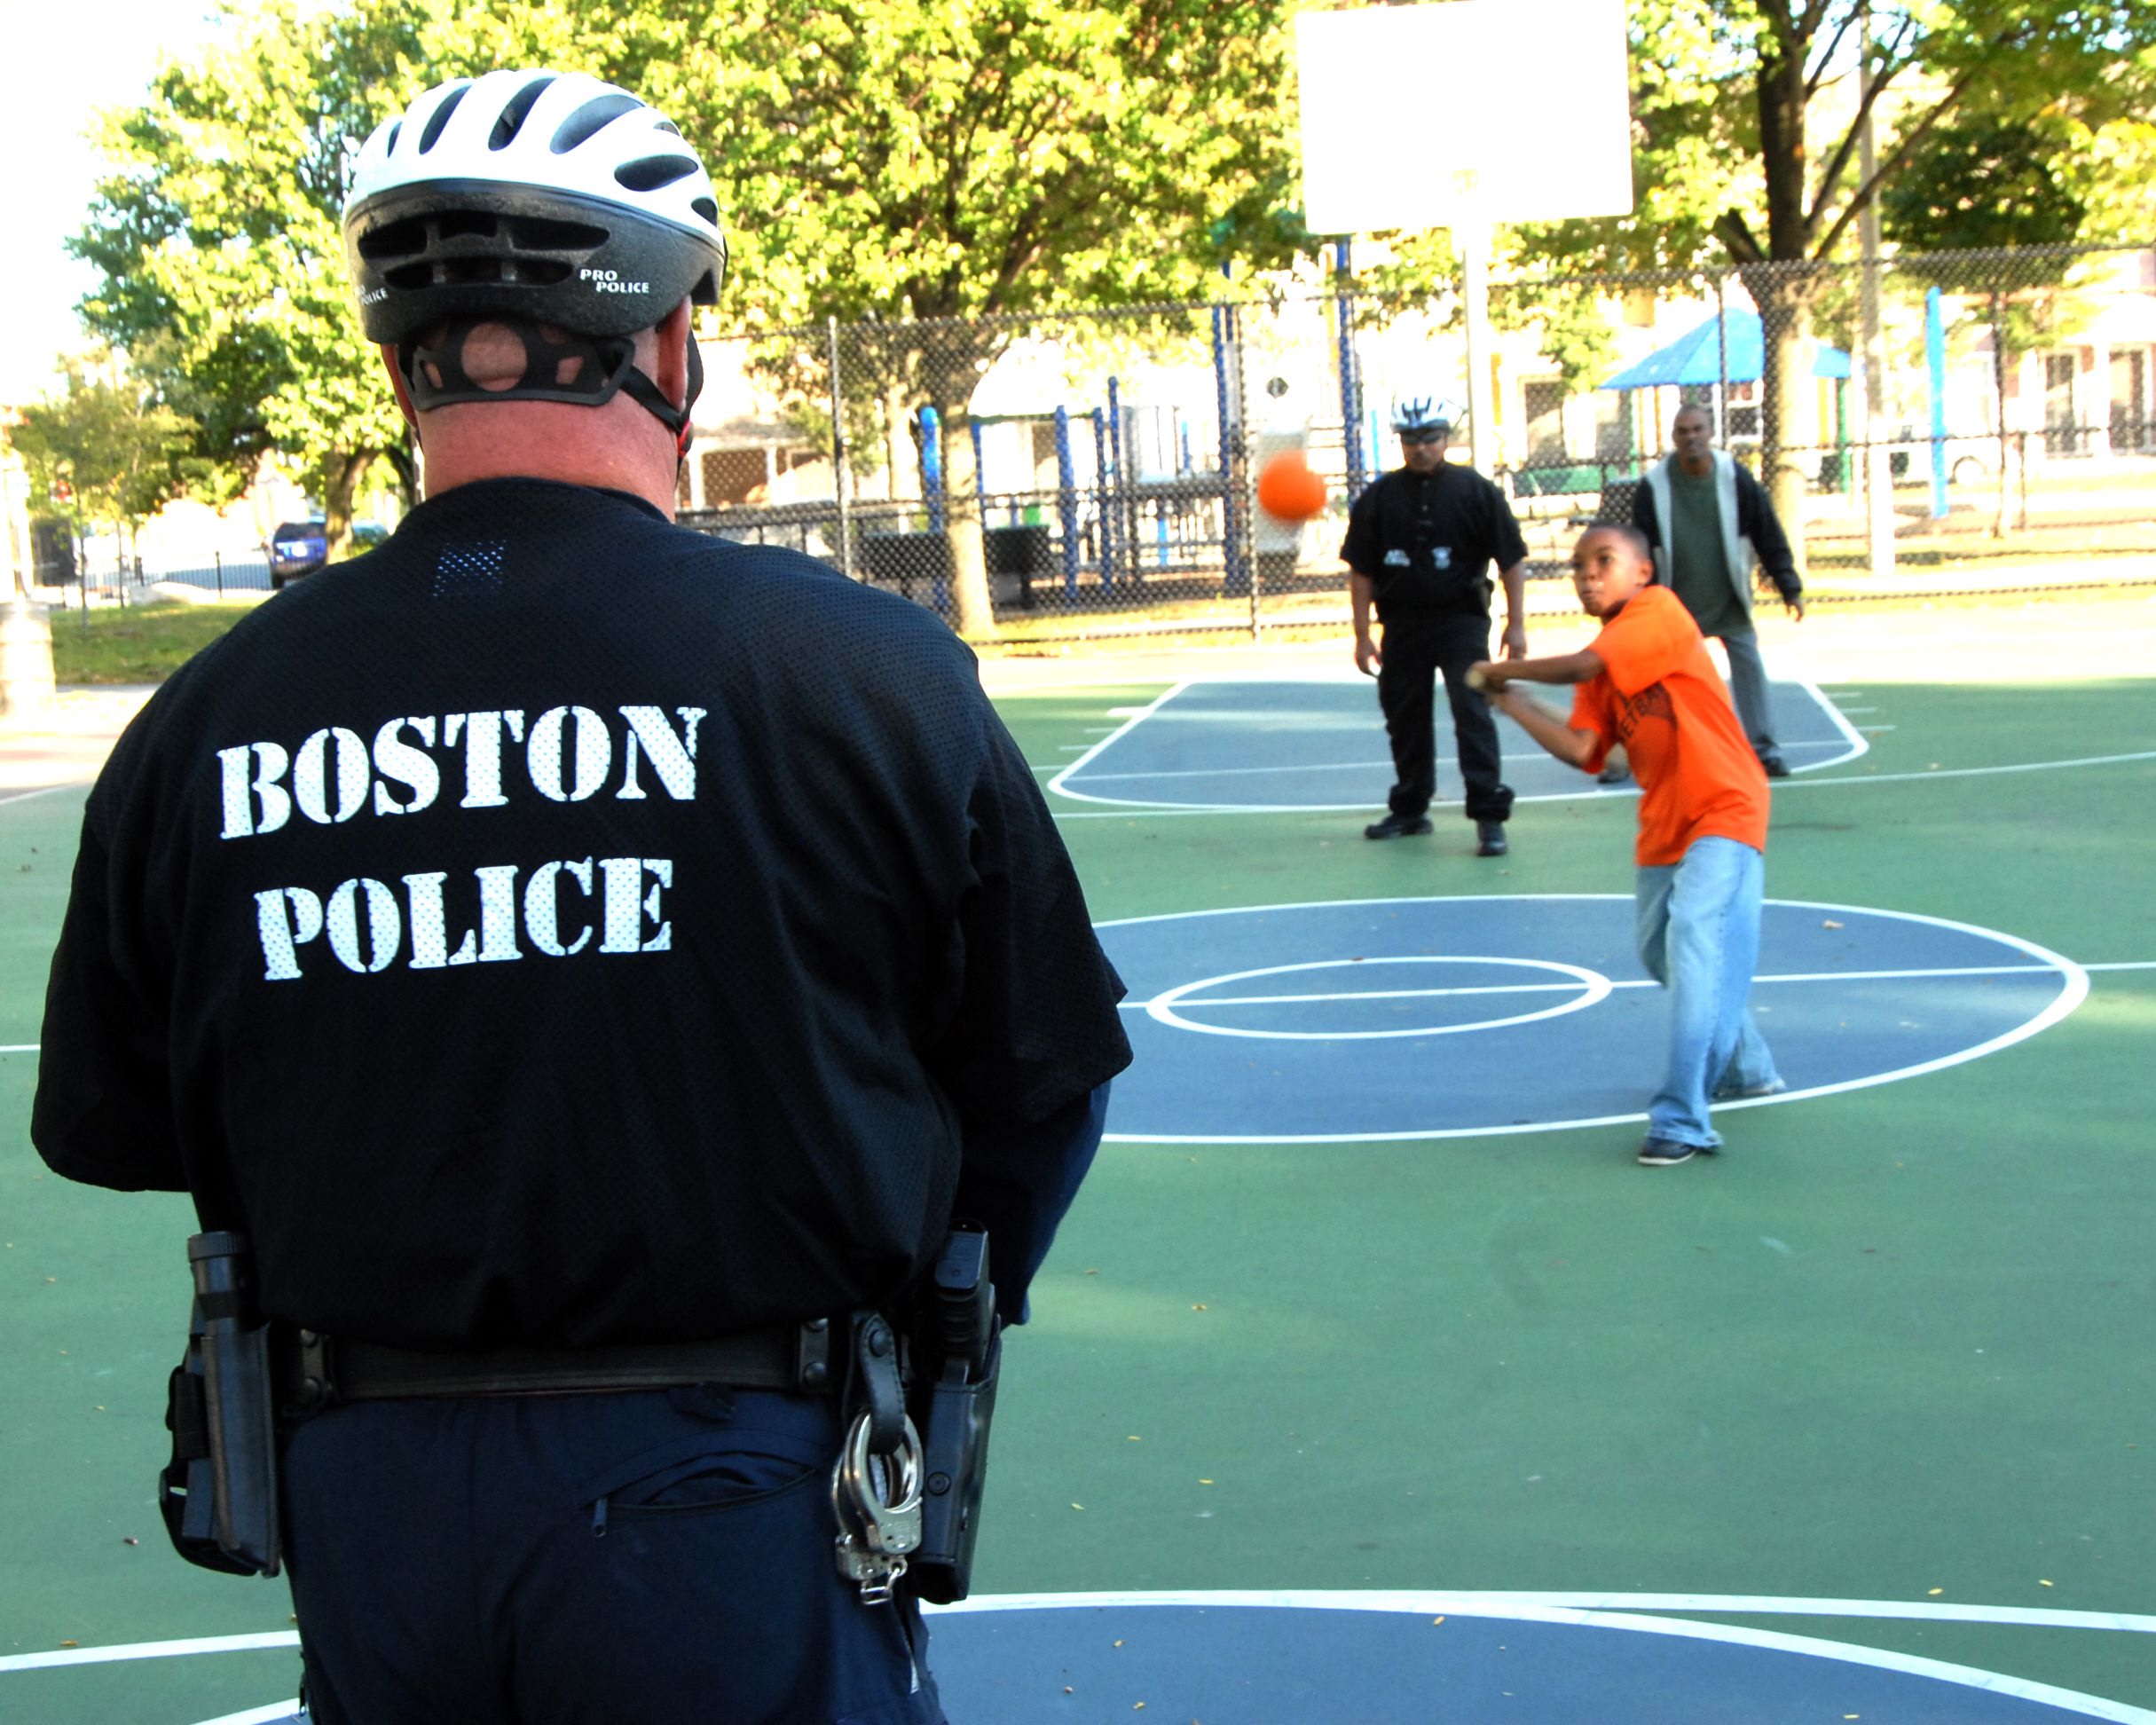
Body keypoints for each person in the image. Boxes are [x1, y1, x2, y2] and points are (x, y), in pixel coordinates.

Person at [32, 69, 1131, 1724]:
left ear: (401, 353)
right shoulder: (861, 673)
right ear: (669, 341)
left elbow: (111, 1121)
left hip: (373, 1497)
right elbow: (1041, 1070)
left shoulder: (205, 718)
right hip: (734, 1491)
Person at [1470, 524, 1784, 1166]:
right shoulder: (1606, 657)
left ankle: (1682, 1119)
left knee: (1697, 934)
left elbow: (1586, 665)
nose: (1588, 574)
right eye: (1578, 566)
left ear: (1643, 571)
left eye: (1603, 561)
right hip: (1667, 821)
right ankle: (1746, 1065)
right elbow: (1589, 752)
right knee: (1657, 949)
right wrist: (1514, 702)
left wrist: (1498, 667)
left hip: (1725, 805)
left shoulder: (1657, 612)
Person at [1343, 390, 1530, 857]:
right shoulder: (1379, 498)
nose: (1420, 447)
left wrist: (1516, 623)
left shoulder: (1476, 491)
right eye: (1410, 439)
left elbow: (1511, 559)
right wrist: (1363, 634)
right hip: (1402, 624)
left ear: (1446, 438)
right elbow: (1361, 569)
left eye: (1429, 437)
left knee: (1472, 713)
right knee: (1404, 717)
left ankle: (1489, 815)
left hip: (1461, 622)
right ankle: (1410, 808)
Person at [1622, 403, 1806, 782]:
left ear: (1710, 433)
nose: (1690, 437)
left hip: (1727, 596)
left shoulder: (1733, 477)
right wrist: (1637, 600)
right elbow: (1638, 546)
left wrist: (1789, 586)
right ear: (1673, 437)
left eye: (1697, 429)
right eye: (1682, 431)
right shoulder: (1654, 486)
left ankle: (1765, 749)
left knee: (1749, 664)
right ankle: (1651, 750)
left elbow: (1767, 532)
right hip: (1675, 602)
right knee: (1661, 679)